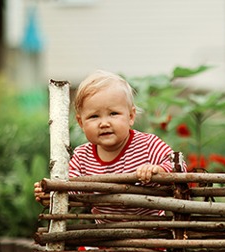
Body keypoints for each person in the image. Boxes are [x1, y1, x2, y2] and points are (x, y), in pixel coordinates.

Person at [34, 70, 179, 216]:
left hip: (151, 231)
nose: (104, 123)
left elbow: (179, 167)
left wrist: (159, 170)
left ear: (131, 116)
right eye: (94, 116)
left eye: (113, 114)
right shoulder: (82, 157)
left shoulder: (148, 145)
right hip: (106, 232)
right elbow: (70, 191)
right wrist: (50, 192)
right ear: (81, 122)